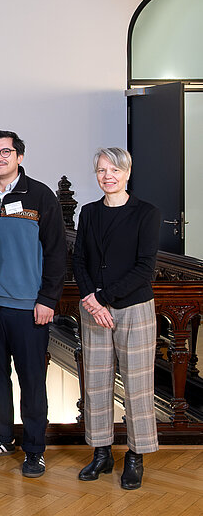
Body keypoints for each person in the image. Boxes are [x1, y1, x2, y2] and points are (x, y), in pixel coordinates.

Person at [0, 130, 66, 478]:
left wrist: (48, 299)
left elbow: (56, 252)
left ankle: (35, 449)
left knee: (33, 380)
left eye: (6, 151)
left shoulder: (40, 195)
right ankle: (1, 437)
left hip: (29, 307)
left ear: (19, 156)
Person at [72, 148, 160, 490]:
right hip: (94, 308)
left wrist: (103, 299)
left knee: (137, 387)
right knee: (96, 384)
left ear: (127, 172)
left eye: (114, 170)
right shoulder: (90, 213)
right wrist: (91, 302)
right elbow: (79, 260)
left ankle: (135, 456)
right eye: (101, 170)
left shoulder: (146, 213)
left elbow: (144, 269)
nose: (108, 176)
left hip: (133, 307)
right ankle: (102, 452)